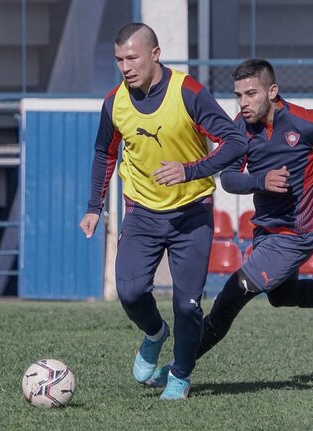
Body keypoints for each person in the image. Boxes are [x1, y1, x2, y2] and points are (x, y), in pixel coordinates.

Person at [147, 58, 313, 388]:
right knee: (281, 295)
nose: (243, 103)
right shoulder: (240, 127)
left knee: (231, 296)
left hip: (296, 234)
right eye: (238, 95)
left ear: (272, 91)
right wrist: (261, 180)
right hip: (266, 231)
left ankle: (178, 369)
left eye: (251, 94)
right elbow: (227, 178)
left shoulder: (306, 121)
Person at [78, 23, 248, 400]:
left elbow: (235, 141)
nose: (125, 66)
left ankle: (180, 376)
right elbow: (104, 154)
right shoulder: (113, 102)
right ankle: (155, 333)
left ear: (155, 53)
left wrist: (191, 170)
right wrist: (94, 206)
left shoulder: (187, 92)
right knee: (130, 291)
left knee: (187, 305)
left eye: (132, 57)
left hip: (192, 213)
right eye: (119, 59)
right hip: (141, 213)